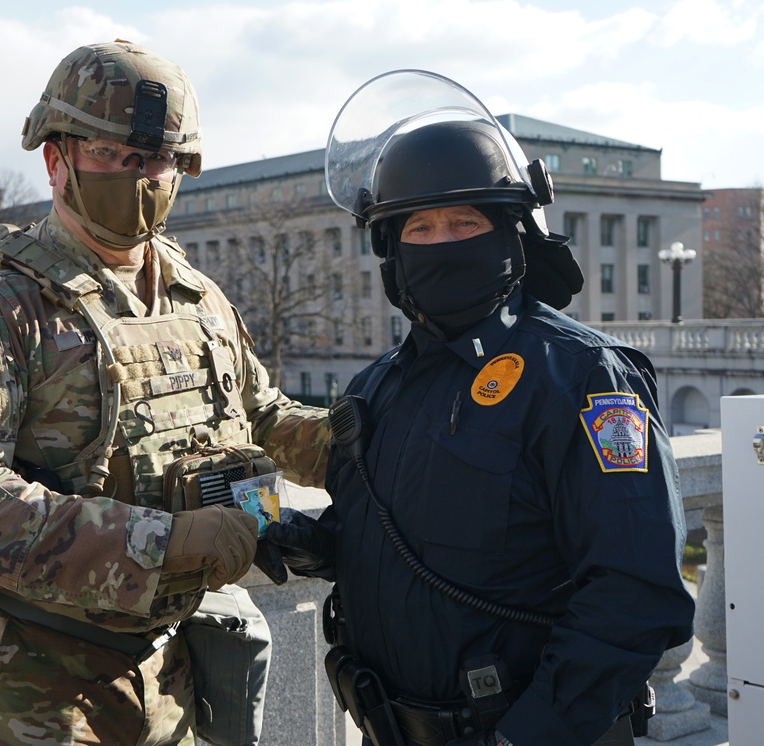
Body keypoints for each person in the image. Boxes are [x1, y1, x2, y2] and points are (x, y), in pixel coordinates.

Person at [0, 40, 328, 746]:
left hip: (176, 677)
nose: (140, 175)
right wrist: (161, 542)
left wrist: (359, 444)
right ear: (55, 158)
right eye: (111, 153)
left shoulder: (196, 296)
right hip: (35, 697)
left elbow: (261, 417)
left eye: (158, 158)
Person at [267, 70, 695, 746]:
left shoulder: (581, 376)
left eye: (464, 222)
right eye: (420, 227)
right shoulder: (375, 389)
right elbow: (415, 543)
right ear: (390, 250)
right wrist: (323, 547)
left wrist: (528, 736)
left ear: (510, 235)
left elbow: (635, 592)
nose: (442, 243)